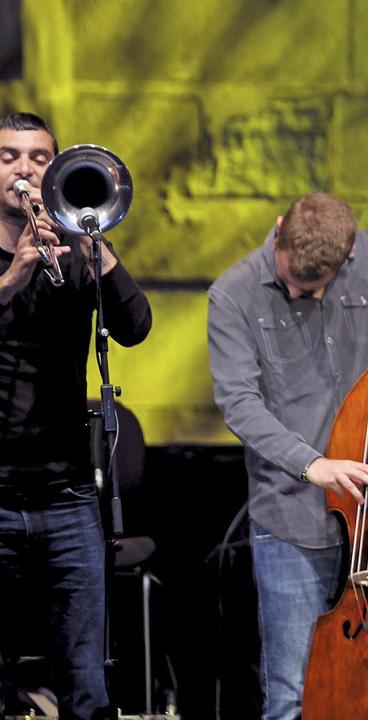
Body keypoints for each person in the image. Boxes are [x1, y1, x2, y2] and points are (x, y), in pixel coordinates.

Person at [206, 167, 368, 720]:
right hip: (295, 519)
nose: (313, 292)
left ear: (349, 255)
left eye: (324, 283)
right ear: (278, 231)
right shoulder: (231, 295)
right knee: (294, 692)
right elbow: (239, 404)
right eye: (301, 285)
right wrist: (314, 465)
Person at [0, 112, 153, 720]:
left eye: (39, 159)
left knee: (87, 683)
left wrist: (97, 249)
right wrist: (13, 276)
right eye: (10, 157)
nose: (25, 171)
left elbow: (136, 327)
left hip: (66, 493)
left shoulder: (77, 248)